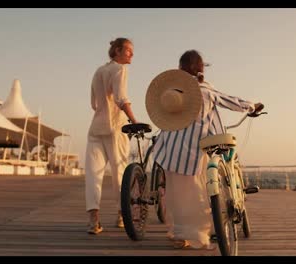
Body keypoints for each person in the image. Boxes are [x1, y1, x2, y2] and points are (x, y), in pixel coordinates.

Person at [146, 49, 264, 249]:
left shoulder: (172, 91)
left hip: (169, 150)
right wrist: (252, 106)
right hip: (193, 150)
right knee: (197, 192)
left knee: (175, 194)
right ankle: (199, 232)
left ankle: (179, 234)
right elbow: (231, 101)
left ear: (179, 69)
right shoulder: (204, 90)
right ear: (201, 69)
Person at [85, 37, 137, 235]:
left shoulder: (99, 71)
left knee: (93, 174)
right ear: (117, 51)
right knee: (120, 173)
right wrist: (133, 120)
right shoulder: (120, 69)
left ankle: (93, 221)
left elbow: (94, 103)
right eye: (128, 51)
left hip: (96, 128)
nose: (132, 54)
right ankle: (122, 215)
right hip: (115, 128)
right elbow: (121, 98)